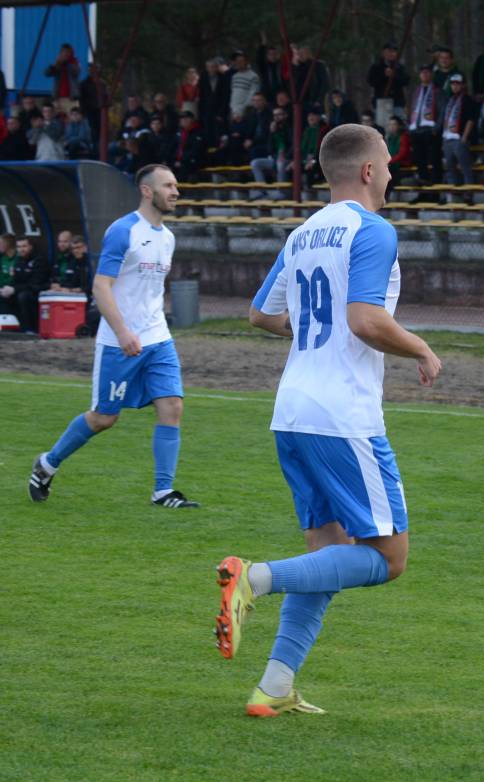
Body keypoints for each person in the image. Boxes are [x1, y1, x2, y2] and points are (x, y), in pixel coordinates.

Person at [219, 123, 443, 717]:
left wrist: (314, 332)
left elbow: (261, 314)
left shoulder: (303, 233)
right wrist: (420, 348)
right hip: (343, 415)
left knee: (326, 557)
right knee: (388, 559)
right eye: (387, 164)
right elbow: (366, 320)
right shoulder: (373, 229)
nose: (391, 174)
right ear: (368, 171)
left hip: (292, 410)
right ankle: (253, 578)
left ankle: (273, 688)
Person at [28, 165, 196, 505]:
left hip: (158, 338)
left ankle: (163, 491)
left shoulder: (168, 237)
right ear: (147, 191)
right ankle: (47, 464)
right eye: (168, 185)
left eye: (176, 185)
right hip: (119, 342)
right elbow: (101, 286)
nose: (175, 192)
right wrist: (122, 332)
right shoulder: (123, 231)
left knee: (172, 406)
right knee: (104, 417)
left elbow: (150, 290)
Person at [408, 63, 445, 183]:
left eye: (427, 72)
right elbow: (411, 109)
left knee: (435, 159)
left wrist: (436, 128)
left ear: (431, 75)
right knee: (420, 160)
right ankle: (423, 185)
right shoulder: (416, 91)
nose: (424, 75)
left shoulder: (437, 91)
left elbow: (442, 111)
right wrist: (410, 127)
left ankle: (436, 185)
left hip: (431, 131)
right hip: (416, 130)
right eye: (422, 72)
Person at [442, 74, 476, 184]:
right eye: (453, 84)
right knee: (450, 168)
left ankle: (468, 191)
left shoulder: (467, 99)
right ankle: (454, 191)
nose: (455, 86)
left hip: (459, 138)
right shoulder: (450, 100)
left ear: (463, 85)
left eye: (457, 84)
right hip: (448, 138)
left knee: (465, 168)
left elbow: (471, 119)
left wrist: (464, 137)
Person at [10, 236, 50, 332]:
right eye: (19, 247)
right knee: (5, 296)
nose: (21, 249)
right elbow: (15, 281)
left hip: (38, 292)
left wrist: (15, 289)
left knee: (24, 296)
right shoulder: (19, 260)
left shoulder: (39, 260)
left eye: (24, 246)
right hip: (23, 289)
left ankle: (30, 329)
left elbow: (35, 284)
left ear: (31, 246)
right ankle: (9, 327)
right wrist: (9, 289)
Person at [367, 41, 409, 125]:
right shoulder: (376, 67)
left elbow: (406, 81)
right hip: (381, 101)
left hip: (397, 102)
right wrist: (383, 75)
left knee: (399, 125)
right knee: (382, 126)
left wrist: (394, 75)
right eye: (389, 51)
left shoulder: (400, 67)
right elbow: (371, 82)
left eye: (393, 51)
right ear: (384, 52)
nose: (391, 54)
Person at [198, 58, 231, 139]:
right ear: (206, 68)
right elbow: (202, 96)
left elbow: (225, 96)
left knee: (219, 133)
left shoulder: (222, 77)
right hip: (207, 111)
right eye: (209, 67)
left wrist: (221, 112)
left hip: (219, 110)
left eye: (213, 67)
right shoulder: (203, 78)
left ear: (216, 67)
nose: (211, 69)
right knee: (208, 133)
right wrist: (202, 112)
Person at [44, 43, 80, 114]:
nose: (65, 54)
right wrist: (56, 64)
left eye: (67, 52)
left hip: (71, 99)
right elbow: (47, 73)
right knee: (56, 118)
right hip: (58, 98)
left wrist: (67, 63)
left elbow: (76, 72)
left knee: (73, 117)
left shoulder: (75, 62)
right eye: (64, 52)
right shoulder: (58, 63)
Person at [172, 110, 206, 181]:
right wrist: (173, 160)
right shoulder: (178, 133)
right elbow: (173, 148)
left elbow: (196, 150)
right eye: (182, 119)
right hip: (178, 163)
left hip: (192, 164)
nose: (184, 120)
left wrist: (181, 161)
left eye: (186, 118)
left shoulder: (198, 133)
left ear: (192, 120)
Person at [298, 107, 328, 187]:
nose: (311, 118)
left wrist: (312, 161)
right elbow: (301, 149)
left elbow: (323, 150)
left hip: (319, 159)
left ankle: (310, 192)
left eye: (313, 115)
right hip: (305, 159)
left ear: (319, 117)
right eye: (309, 116)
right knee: (292, 167)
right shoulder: (306, 130)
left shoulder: (324, 129)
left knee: (310, 168)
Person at [229, 50, 260, 119]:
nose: (238, 63)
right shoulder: (234, 76)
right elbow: (233, 94)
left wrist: (241, 111)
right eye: (236, 61)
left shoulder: (253, 76)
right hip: (233, 111)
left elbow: (252, 95)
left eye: (241, 61)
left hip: (246, 111)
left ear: (246, 62)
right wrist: (233, 109)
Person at [256, 34, 286, 103]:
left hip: (281, 94)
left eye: (275, 54)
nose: (273, 56)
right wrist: (263, 44)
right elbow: (259, 58)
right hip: (267, 96)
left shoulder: (281, 65)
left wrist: (284, 40)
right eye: (270, 54)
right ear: (267, 56)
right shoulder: (264, 66)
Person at [385, 116, 412, 185]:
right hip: (392, 164)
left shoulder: (404, 137)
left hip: (402, 165)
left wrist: (389, 161)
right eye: (390, 124)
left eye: (394, 124)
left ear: (399, 126)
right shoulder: (390, 138)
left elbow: (402, 154)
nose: (392, 127)